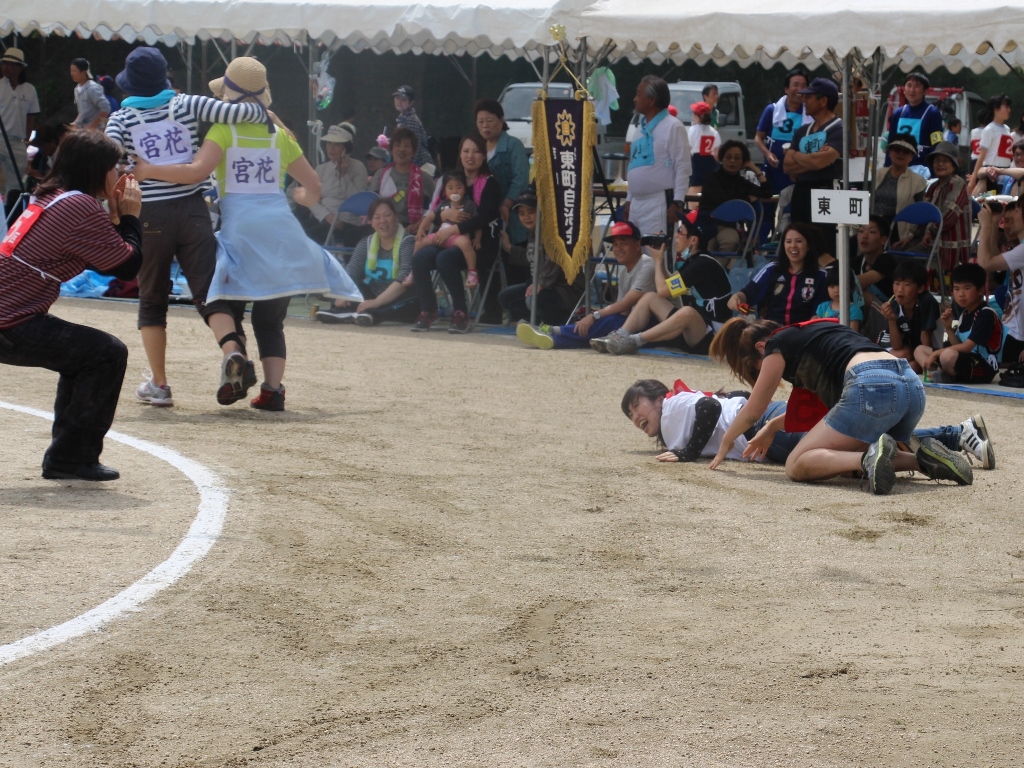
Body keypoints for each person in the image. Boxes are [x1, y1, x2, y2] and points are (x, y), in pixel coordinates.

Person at [131, 56, 362, 412]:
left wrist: (149, 170)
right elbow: (313, 185)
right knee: (270, 320)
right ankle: (272, 390)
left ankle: (236, 358)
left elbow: (195, 172)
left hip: (241, 232)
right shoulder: (279, 135)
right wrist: (304, 198)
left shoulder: (223, 131)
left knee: (224, 302)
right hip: (282, 233)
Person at [106, 46, 269, 407]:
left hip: (148, 215)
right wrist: (259, 104)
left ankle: (160, 385)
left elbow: (108, 158)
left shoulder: (121, 118)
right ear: (164, 77)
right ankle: (232, 351)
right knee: (209, 293)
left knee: (152, 300)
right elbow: (244, 112)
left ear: (129, 84)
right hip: (195, 211)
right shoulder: (188, 104)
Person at [0, 130, 143, 480]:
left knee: (86, 356)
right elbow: (127, 266)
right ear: (96, 169)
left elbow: (102, 259)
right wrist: (130, 217)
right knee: (106, 354)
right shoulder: (79, 206)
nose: (119, 173)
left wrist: (115, 218)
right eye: (114, 166)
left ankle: (68, 456)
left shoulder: (52, 197)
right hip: (10, 322)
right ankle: (70, 458)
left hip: (8, 315)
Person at [707, 317, 974, 494]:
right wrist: (772, 427)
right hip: (911, 386)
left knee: (796, 465)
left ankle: (870, 458)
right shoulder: (815, 334)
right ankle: (924, 460)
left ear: (761, 347)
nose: (763, 373)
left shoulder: (776, 345)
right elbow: (822, 415)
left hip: (872, 387)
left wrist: (726, 442)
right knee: (840, 462)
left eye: (758, 367)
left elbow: (753, 410)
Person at [622, 378, 994, 470]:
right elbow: (727, 399)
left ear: (658, 396)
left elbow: (708, 408)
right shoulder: (672, 412)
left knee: (853, 440)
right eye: (631, 416)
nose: (637, 417)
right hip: (764, 427)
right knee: (855, 439)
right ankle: (956, 434)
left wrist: (686, 453)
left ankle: (955, 434)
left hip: (765, 429)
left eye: (637, 406)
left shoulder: (672, 406)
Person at [592, 212, 731, 355]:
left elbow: (663, 291)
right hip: (699, 330)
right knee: (650, 297)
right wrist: (661, 261)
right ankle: (620, 334)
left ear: (694, 240)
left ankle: (633, 340)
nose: (675, 236)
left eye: (680, 231)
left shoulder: (703, 264)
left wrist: (657, 261)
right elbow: (670, 285)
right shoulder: (695, 260)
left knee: (687, 312)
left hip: (715, 338)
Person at [409, 133, 501, 333]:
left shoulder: (490, 182)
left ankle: (460, 312)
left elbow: (485, 217)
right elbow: (436, 211)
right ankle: (428, 310)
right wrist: (444, 215)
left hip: (478, 243)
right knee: (420, 257)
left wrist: (454, 228)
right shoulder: (451, 180)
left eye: (476, 151)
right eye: (466, 151)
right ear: (460, 154)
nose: (470, 156)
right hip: (446, 239)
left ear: (484, 155)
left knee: (445, 258)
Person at [516, 220, 654, 349]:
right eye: (615, 244)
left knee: (611, 321)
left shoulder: (647, 264)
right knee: (603, 325)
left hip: (651, 326)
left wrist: (594, 316)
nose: (618, 248)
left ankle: (554, 332)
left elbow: (625, 304)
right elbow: (623, 309)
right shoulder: (624, 271)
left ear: (637, 245)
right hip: (632, 324)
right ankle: (554, 339)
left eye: (623, 243)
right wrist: (595, 318)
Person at [315, 197, 419, 326]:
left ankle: (372, 313)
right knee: (351, 288)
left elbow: (404, 279)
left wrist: (377, 302)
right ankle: (345, 311)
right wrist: (342, 295)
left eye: (387, 215)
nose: (383, 221)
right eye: (377, 217)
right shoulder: (366, 243)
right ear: (371, 222)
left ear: (396, 218)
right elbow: (351, 273)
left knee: (413, 297)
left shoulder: (408, 242)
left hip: (398, 296)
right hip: (373, 294)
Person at [497, 189, 584, 326]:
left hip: (564, 288)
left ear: (541, 211)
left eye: (531, 212)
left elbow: (554, 259)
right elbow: (530, 257)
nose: (526, 217)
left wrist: (541, 282)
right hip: (544, 285)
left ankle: (557, 324)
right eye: (522, 214)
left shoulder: (552, 231)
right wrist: (508, 247)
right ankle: (537, 322)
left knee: (532, 300)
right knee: (506, 297)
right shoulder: (534, 232)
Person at [783, 77, 843, 258]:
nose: (804, 100)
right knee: (801, 241)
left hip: (827, 191)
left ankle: (828, 275)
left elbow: (819, 162)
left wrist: (797, 155)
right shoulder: (802, 131)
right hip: (802, 192)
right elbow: (787, 166)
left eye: (809, 97)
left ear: (823, 101)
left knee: (825, 244)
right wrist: (813, 159)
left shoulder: (839, 129)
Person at [624, 75, 690, 240]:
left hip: (659, 201)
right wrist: (629, 199)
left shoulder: (673, 126)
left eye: (638, 94)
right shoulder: (640, 129)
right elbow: (635, 164)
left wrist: (678, 202)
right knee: (636, 253)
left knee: (657, 252)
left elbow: (683, 167)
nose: (634, 99)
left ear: (652, 100)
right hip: (637, 203)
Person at [915, 263, 1002, 384]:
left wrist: (936, 353)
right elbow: (958, 346)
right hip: (965, 360)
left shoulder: (986, 314)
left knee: (947, 355)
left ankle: (944, 374)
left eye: (967, 288)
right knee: (920, 350)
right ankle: (940, 373)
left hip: (982, 368)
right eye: (956, 289)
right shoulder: (964, 314)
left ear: (981, 290)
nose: (961, 294)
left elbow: (966, 347)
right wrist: (948, 328)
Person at [728, 221, 826, 324]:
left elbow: (823, 308)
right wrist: (737, 297)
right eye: (788, 241)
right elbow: (749, 293)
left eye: (799, 241)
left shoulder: (821, 275)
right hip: (773, 329)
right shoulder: (771, 269)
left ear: (808, 245)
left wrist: (816, 318)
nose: (793, 246)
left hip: (806, 330)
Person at [897, 141, 972, 272]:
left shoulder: (957, 184)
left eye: (945, 161)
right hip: (929, 242)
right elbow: (922, 214)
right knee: (894, 253)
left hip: (946, 247)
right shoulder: (933, 187)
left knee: (902, 262)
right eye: (937, 161)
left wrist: (930, 232)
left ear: (954, 165)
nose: (940, 164)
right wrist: (909, 236)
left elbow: (947, 217)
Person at [296, 123, 370, 247]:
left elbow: (358, 200)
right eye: (329, 143)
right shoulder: (322, 169)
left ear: (346, 148)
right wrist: (326, 215)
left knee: (309, 235)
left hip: (345, 222)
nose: (331, 148)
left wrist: (343, 175)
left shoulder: (358, 167)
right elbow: (312, 199)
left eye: (337, 144)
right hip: (323, 218)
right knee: (296, 230)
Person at [697, 139, 772, 253]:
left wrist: (755, 168)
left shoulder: (742, 183)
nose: (732, 161)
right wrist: (747, 199)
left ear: (743, 162)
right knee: (707, 246)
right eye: (728, 157)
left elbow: (767, 192)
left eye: (737, 158)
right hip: (707, 224)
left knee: (730, 242)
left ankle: (718, 266)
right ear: (722, 159)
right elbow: (725, 201)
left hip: (728, 227)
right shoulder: (712, 178)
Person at [976, 195, 1024, 368]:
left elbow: (986, 263)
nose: (1011, 216)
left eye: (1016, 211)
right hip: (1016, 330)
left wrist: (986, 226)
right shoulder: (1020, 248)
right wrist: (994, 223)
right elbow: (996, 258)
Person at [474, 98, 531, 245]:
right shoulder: (477, 147)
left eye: (489, 121)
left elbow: (521, 178)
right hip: (484, 216)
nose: (485, 125)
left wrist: (506, 204)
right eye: (481, 122)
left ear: (501, 120)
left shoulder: (513, 145)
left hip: (510, 215)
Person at [415, 170, 480, 285]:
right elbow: (429, 217)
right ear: (445, 190)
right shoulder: (443, 204)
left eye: (458, 187)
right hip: (440, 236)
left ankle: (472, 272)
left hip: (457, 237)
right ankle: (412, 270)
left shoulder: (469, 204)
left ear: (464, 188)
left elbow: (477, 223)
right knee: (419, 243)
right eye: (450, 188)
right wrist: (420, 229)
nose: (455, 191)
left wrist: (477, 239)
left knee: (465, 243)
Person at [875, 259, 940, 372]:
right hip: (911, 350)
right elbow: (897, 346)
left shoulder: (926, 302)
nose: (900, 290)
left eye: (907, 285)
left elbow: (926, 338)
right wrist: (891, 320)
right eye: (897, 284)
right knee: (899, 355)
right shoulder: (895, 305)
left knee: (911, 367)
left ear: (920, 288)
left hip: (930, 350)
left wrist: (924, 360)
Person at [754, 70, 812, 195]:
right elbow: (758, 138)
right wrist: (768, 154)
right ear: (786, 89)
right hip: (773, 169)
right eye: (796, 85)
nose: (800, 89)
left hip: (797, 170)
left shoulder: (810, 113)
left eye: (803, 86)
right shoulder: (772, 110)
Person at [369, 127, 435, 227]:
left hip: (412, 229)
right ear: (391, 149)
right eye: (397, 145)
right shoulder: (380, 175)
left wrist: (420, 224)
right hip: (384, 227)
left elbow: (436, 207)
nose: (402, 149)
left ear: (413, 151)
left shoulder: (424, 178)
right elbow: (372, 205)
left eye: (407, 146)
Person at [0, 47, 39, 201]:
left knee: (16, 182)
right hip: (0, 136)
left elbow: (31, 115)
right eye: (5, 63)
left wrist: (27, 140)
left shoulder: (29, 89)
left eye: (11, 64)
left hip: (17, 141)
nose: (6, 67)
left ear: (20, 67)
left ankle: (12, 211)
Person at [884, 73, 944, 165]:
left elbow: (937, 145)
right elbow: (890, 145)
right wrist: (887, 167)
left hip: (922, 168)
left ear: (925, 91)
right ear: (904, 89)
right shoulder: (898, 113)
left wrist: (932, 169)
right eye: (909, 85)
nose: (912, 90)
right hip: (899, 167)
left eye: (917, 86)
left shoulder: (932, 113)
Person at [872, 134, 926, 228]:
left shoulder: (918, 182)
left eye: (906, 151)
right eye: (897, 149)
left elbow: (921, 213)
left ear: (912, 156)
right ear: (890, 152)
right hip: (872, 226)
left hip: (899, 231)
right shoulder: (877, 174)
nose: (901, 153)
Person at [971, 94, 1013, 193]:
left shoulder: (1007, 129)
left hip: (1005, 173)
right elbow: (981, 156)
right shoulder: (989, 129)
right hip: (991, 174)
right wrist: (973, 179)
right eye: (1006, 106)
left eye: (1009, 107)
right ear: (996, 109)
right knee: (990, 200)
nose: (1009, 110)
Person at [855, 215, 898, 306]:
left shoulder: (887, 261)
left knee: (859, 293)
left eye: (871, 232)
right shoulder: (857, 261)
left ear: (883, 240)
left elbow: (855, 283)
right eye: (861, 231)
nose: (864, 236)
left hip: (889, 310)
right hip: (870, 311)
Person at [686, 101, 720, 201]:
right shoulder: (714, 132)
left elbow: (688, 148)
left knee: (693, 191)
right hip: (710, 162)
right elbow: (716, 153)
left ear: (697, 116)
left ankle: (693, 209)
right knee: (709, 190)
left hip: (696, 161)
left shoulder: (693, 129)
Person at [392, 85, 432, 168]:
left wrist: (405, 168)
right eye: (397, 98)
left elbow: (414, 148)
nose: (399, 102)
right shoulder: (403, 118)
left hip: (419, 167)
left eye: (403, 100)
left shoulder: (410, 120)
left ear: (411, 102)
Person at [816, 267, 863, 331]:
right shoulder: (822, 307)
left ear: (851, 287)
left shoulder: (854, 310)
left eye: (840, 286)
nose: (836, 290)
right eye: (832, 286)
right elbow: (818, 330)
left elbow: (852, 334)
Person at [70, 58, 109, 131]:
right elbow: (82, 112)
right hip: (85, 131)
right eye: (71, 71)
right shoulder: (77, 89)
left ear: (84, 72)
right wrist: (75, 123)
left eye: (74, 71)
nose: (71, 73)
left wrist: (91, 126)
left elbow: (106, 108)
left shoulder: (92, 88)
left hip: (97, 132)